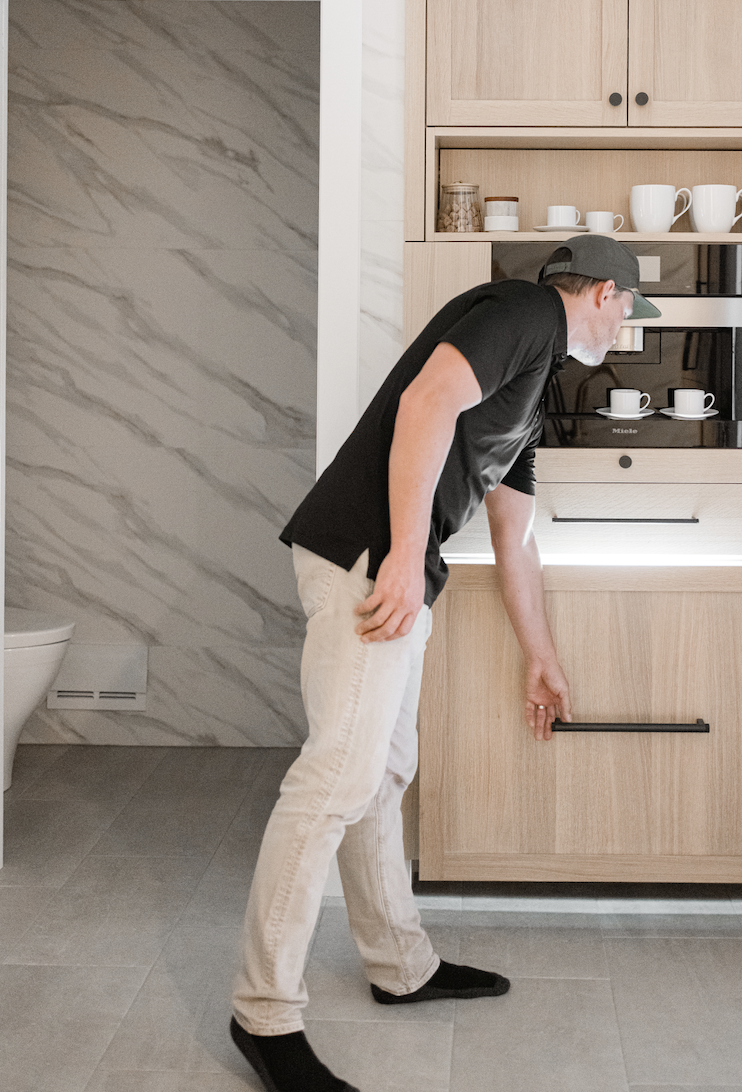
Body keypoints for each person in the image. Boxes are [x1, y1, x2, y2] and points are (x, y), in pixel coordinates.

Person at [229, 235, 661, 1092]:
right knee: (333, 782)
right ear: (607, 294)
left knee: (384, 772)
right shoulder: (526, 312)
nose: (627, 332)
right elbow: (427, 402)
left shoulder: (532, 391)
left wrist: (542, 656)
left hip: (395, 571)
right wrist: (397, 554)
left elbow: (515, 540)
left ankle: (401, 966)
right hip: (369, 562)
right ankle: (263, 1014)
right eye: (630, 315)